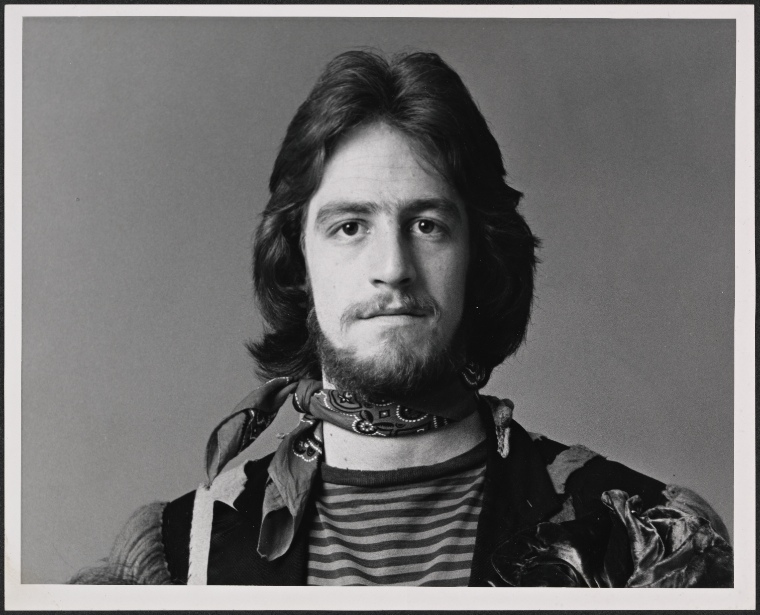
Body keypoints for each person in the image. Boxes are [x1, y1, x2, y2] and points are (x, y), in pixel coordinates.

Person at [71, 49, 732, 587]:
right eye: (350, 225)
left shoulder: (639, 538)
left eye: (426, 223)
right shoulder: (178, 560)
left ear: (482, 256)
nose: (393, 266)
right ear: (298, 264)